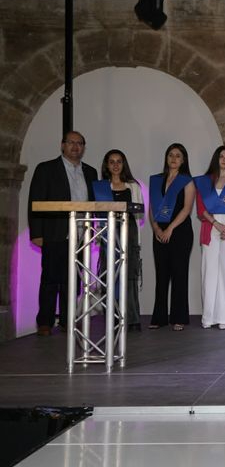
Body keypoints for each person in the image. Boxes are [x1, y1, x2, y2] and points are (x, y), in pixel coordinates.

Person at [28, 131, 98, 336]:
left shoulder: (91, 172)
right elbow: (35, 201)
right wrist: (36, 232)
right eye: (71, 143)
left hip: (81, 235)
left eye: (80, 143)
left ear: (84, 147)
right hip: (54, 232)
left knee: (73, 280)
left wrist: (93, 230)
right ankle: (45, 322)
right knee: (50, 278)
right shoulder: (46, 169)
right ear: (62, 145)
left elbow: (94, 204)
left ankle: (68, 320)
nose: (75, 147)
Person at [92, 149, 144, 332]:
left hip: (129, 233)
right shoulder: (101, 187)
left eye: (119, 161)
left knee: (129, 275)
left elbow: (139, 210)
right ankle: (112, 318)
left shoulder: (133, 186)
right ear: (107, 165)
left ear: (124, 164)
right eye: (112, 161)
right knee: (109, 275)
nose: (115, 165)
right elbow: (97, 213)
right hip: (108, 233)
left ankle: (131, 318)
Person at [149, 143, 196, 331]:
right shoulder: (156, 180)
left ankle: (179, 317)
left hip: (180, 232)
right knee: (161, 274)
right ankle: (159, 317)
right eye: (171, 155)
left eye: (178, 156)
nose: (174, 159)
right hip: (159, 231)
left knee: (179, 274)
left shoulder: (187, 181)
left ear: (183, 160)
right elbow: (152, 208)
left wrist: (170, 229)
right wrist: (156, 228)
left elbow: (187, 208)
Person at [195, 146, 225, 330]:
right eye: (221, 156)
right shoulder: (205, 182)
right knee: (209, 272)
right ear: (216, 159)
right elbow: (200, 209)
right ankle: (209, 316)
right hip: (210, 227)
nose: (224, 160)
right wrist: (216, 224)